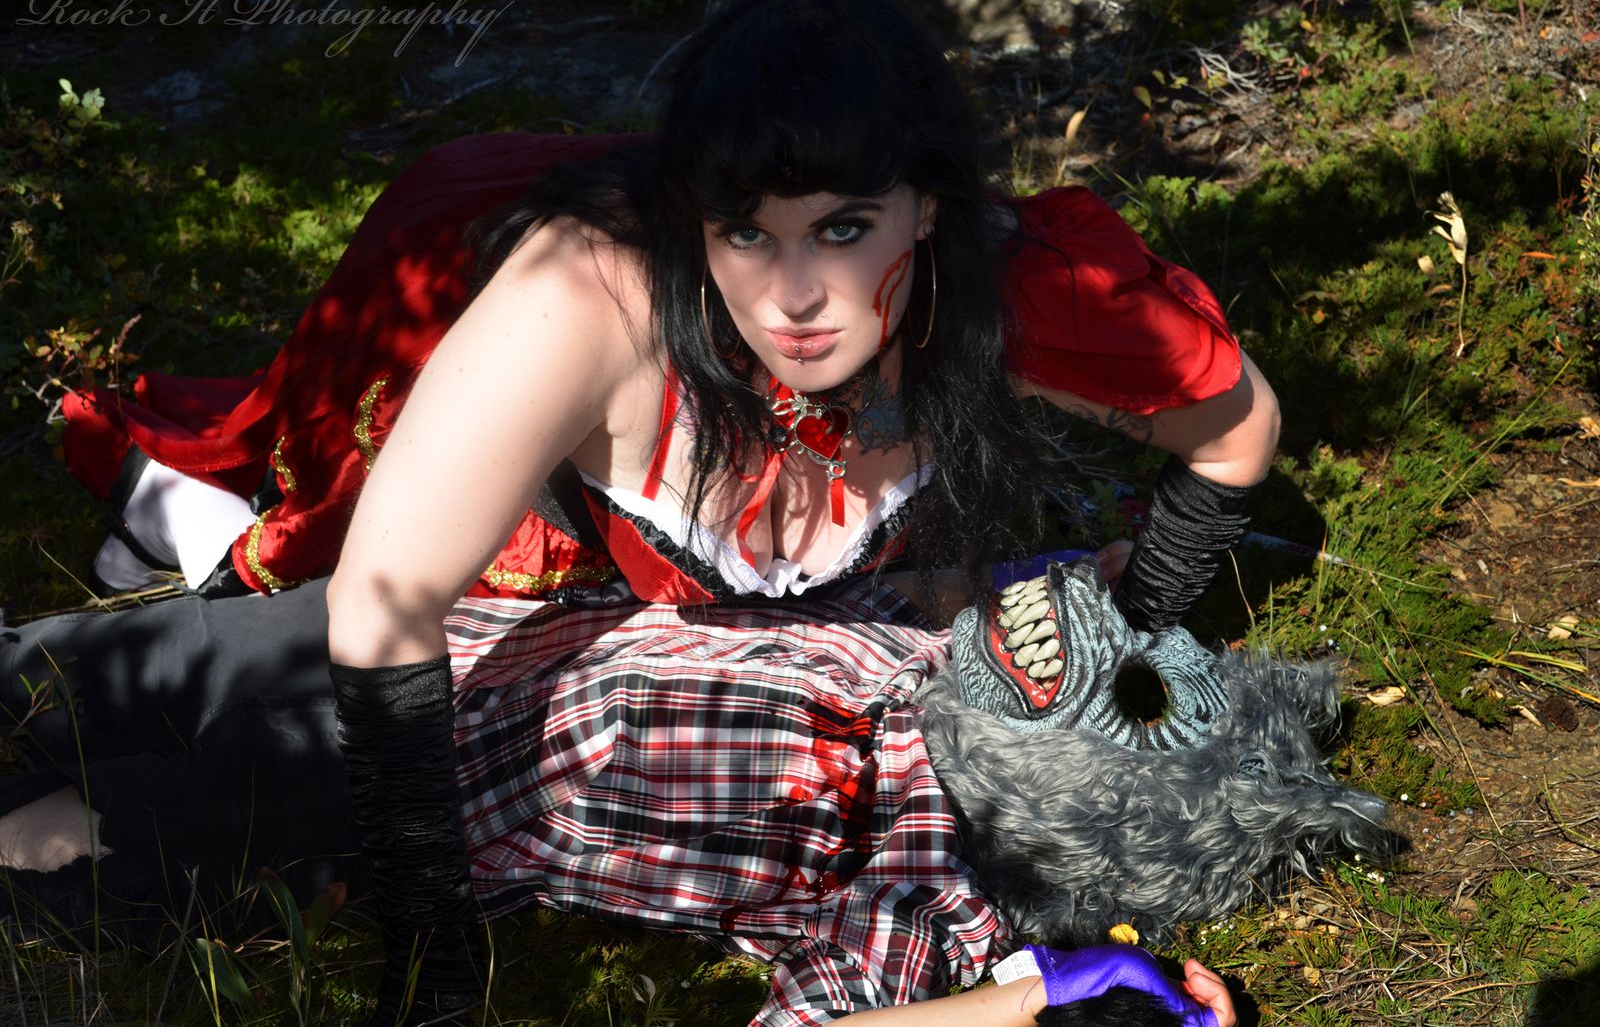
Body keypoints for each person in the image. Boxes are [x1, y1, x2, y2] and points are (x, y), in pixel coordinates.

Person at [44, 0, 1291, 1021]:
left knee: (169, 805)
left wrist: (1136, 632)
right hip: (494, 562)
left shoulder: (1001, 298)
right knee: (183, 682)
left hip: (640, 679)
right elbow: (383, 603)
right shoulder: (591, 298)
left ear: (925, 207)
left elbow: (1237, 431)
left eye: (843, 228)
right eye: (746, 232)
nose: (794, 298)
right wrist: (433, 951)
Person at [0, 557, 1387, 1025]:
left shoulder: (929, 900)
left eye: (1130, 690)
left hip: (370, 807)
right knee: (57, 672)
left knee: (62, 843)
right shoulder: (934, 655)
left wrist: (1033, 996)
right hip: (394, 639)